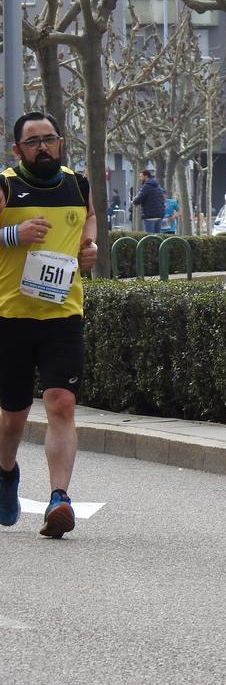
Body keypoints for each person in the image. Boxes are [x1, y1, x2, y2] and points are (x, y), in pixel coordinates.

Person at [0, 111, 98, 538]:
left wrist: (87, 246)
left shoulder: (76, 183)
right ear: (17, 149)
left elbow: (89, 218)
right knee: (13, 416)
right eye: (33, 141)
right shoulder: (6, 185)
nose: (43, 147)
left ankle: (60, 499)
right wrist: (13, 235)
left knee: (61, 402)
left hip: (63, 314)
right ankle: (5, 473)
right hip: (11, 316)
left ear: (61, 143)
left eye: (50, 139)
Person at [132, 169, 165, 234]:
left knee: (149, 237)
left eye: (141, 177)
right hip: (159, 215)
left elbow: (139, 198)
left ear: (146, 176)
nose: (140, 179)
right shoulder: (157, 186)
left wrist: (134, 202)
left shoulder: (146, 186)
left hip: (150, 215)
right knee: (157, 236)